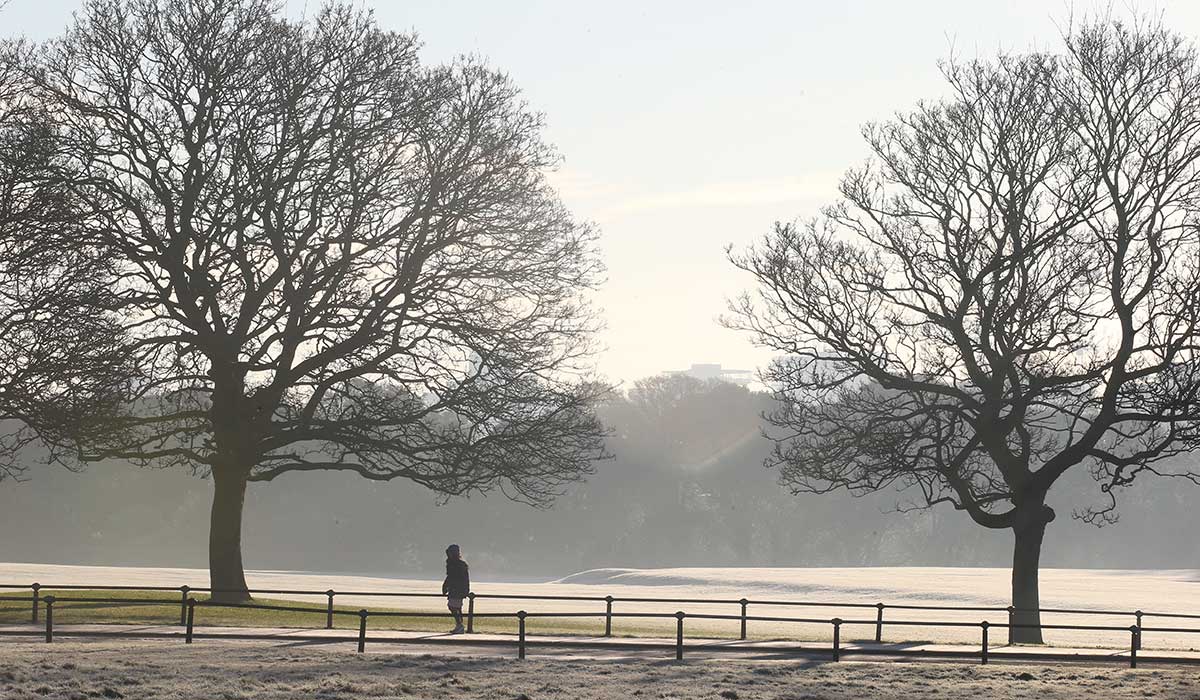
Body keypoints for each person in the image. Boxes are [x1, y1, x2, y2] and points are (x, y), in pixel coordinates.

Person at [442, 543, 470, 634]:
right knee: (456, 607)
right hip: (457, 588)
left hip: (457, 588)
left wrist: (446, 585)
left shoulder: (456, 564)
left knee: (453, 607)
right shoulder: (456, 563)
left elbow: (451, 576)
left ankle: (460, 625)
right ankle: (459, 625)